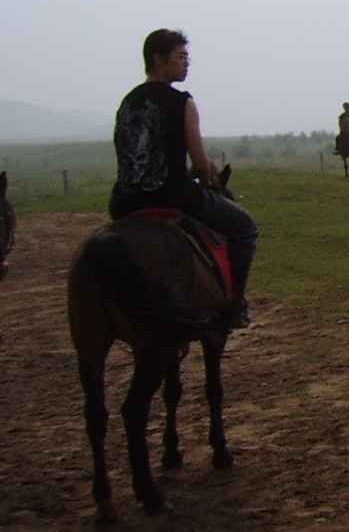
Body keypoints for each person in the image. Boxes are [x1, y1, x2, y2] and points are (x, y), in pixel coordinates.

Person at [110, 29, 258, 329]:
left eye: (187, 57)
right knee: (245, 228)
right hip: (171, 195)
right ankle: (233, 305)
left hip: (124, 202)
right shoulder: (182, 102)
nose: (186, 63)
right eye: (180, 57)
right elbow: (202, 164)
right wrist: (206, 179)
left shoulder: (128, 102)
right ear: (158, 59)